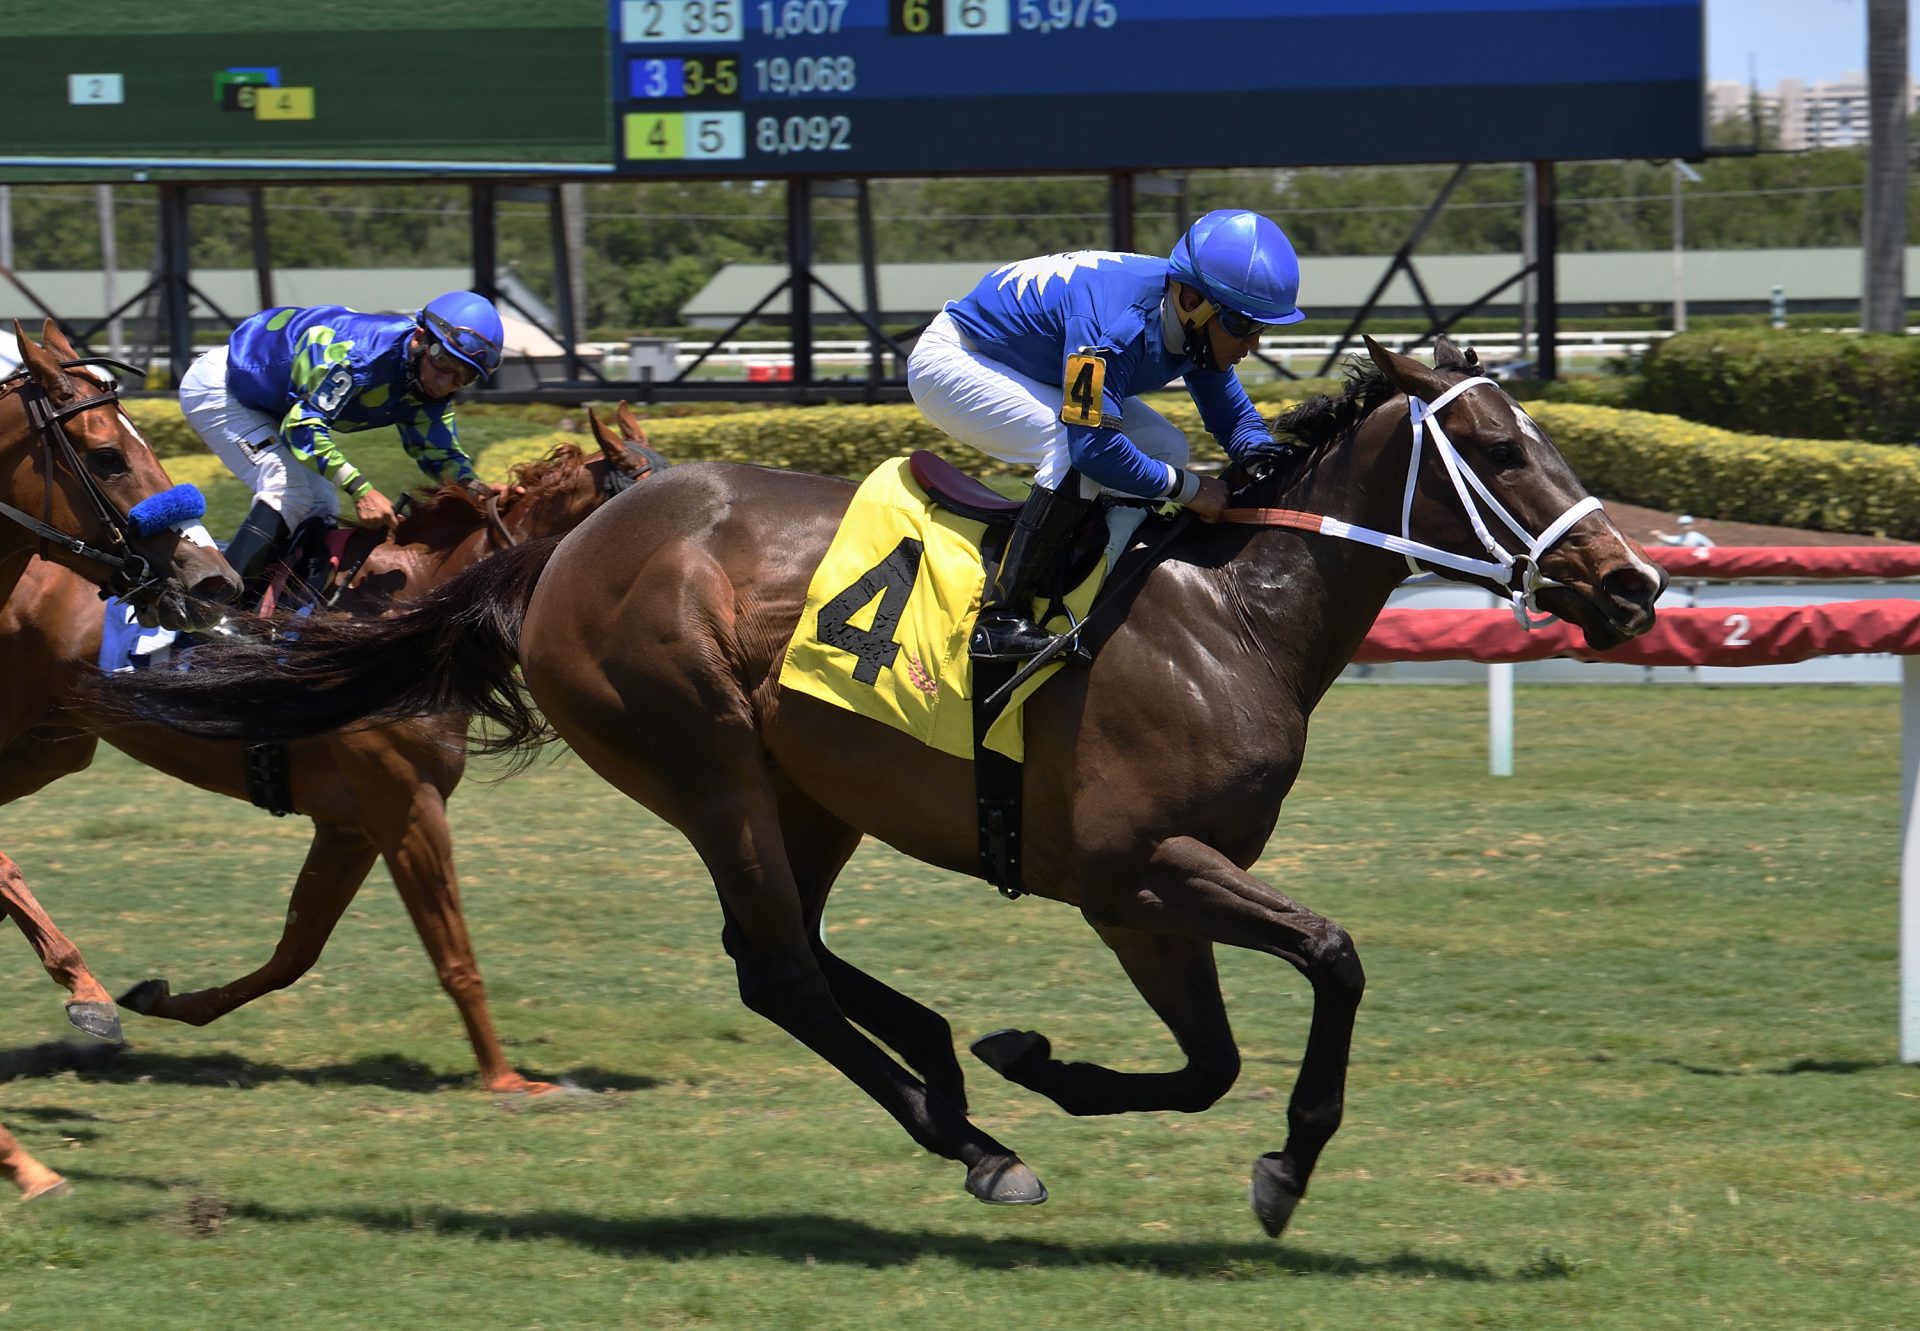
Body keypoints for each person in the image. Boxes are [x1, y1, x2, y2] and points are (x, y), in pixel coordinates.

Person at [907, 208, 1305, 662]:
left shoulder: (1190, 315)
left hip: (1031, 362)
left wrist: (1271, 462)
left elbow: (1233, 419)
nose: (1251, 344)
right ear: (1193, 301)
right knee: (1072, 450)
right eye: (1243, 326)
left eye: (1261, 328)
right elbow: (1093, 449)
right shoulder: (1111, 329)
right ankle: (1000, 618)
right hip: (956, 360)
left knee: (1166, 447)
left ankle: (1088, 594)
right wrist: (1192, 489)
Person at [179, 290, 505, 602]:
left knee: (321, 507)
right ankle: (209, 610)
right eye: (445, 362)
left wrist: (479, 491)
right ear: (420, 338)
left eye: (465, 376)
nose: (446, 382)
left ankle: (263, 608)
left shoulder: (429, 384)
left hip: (280, 404)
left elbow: (439, 453)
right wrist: (361, 490)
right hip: (224, 387)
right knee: (289, 490)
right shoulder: (359, 353)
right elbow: (302, 428)